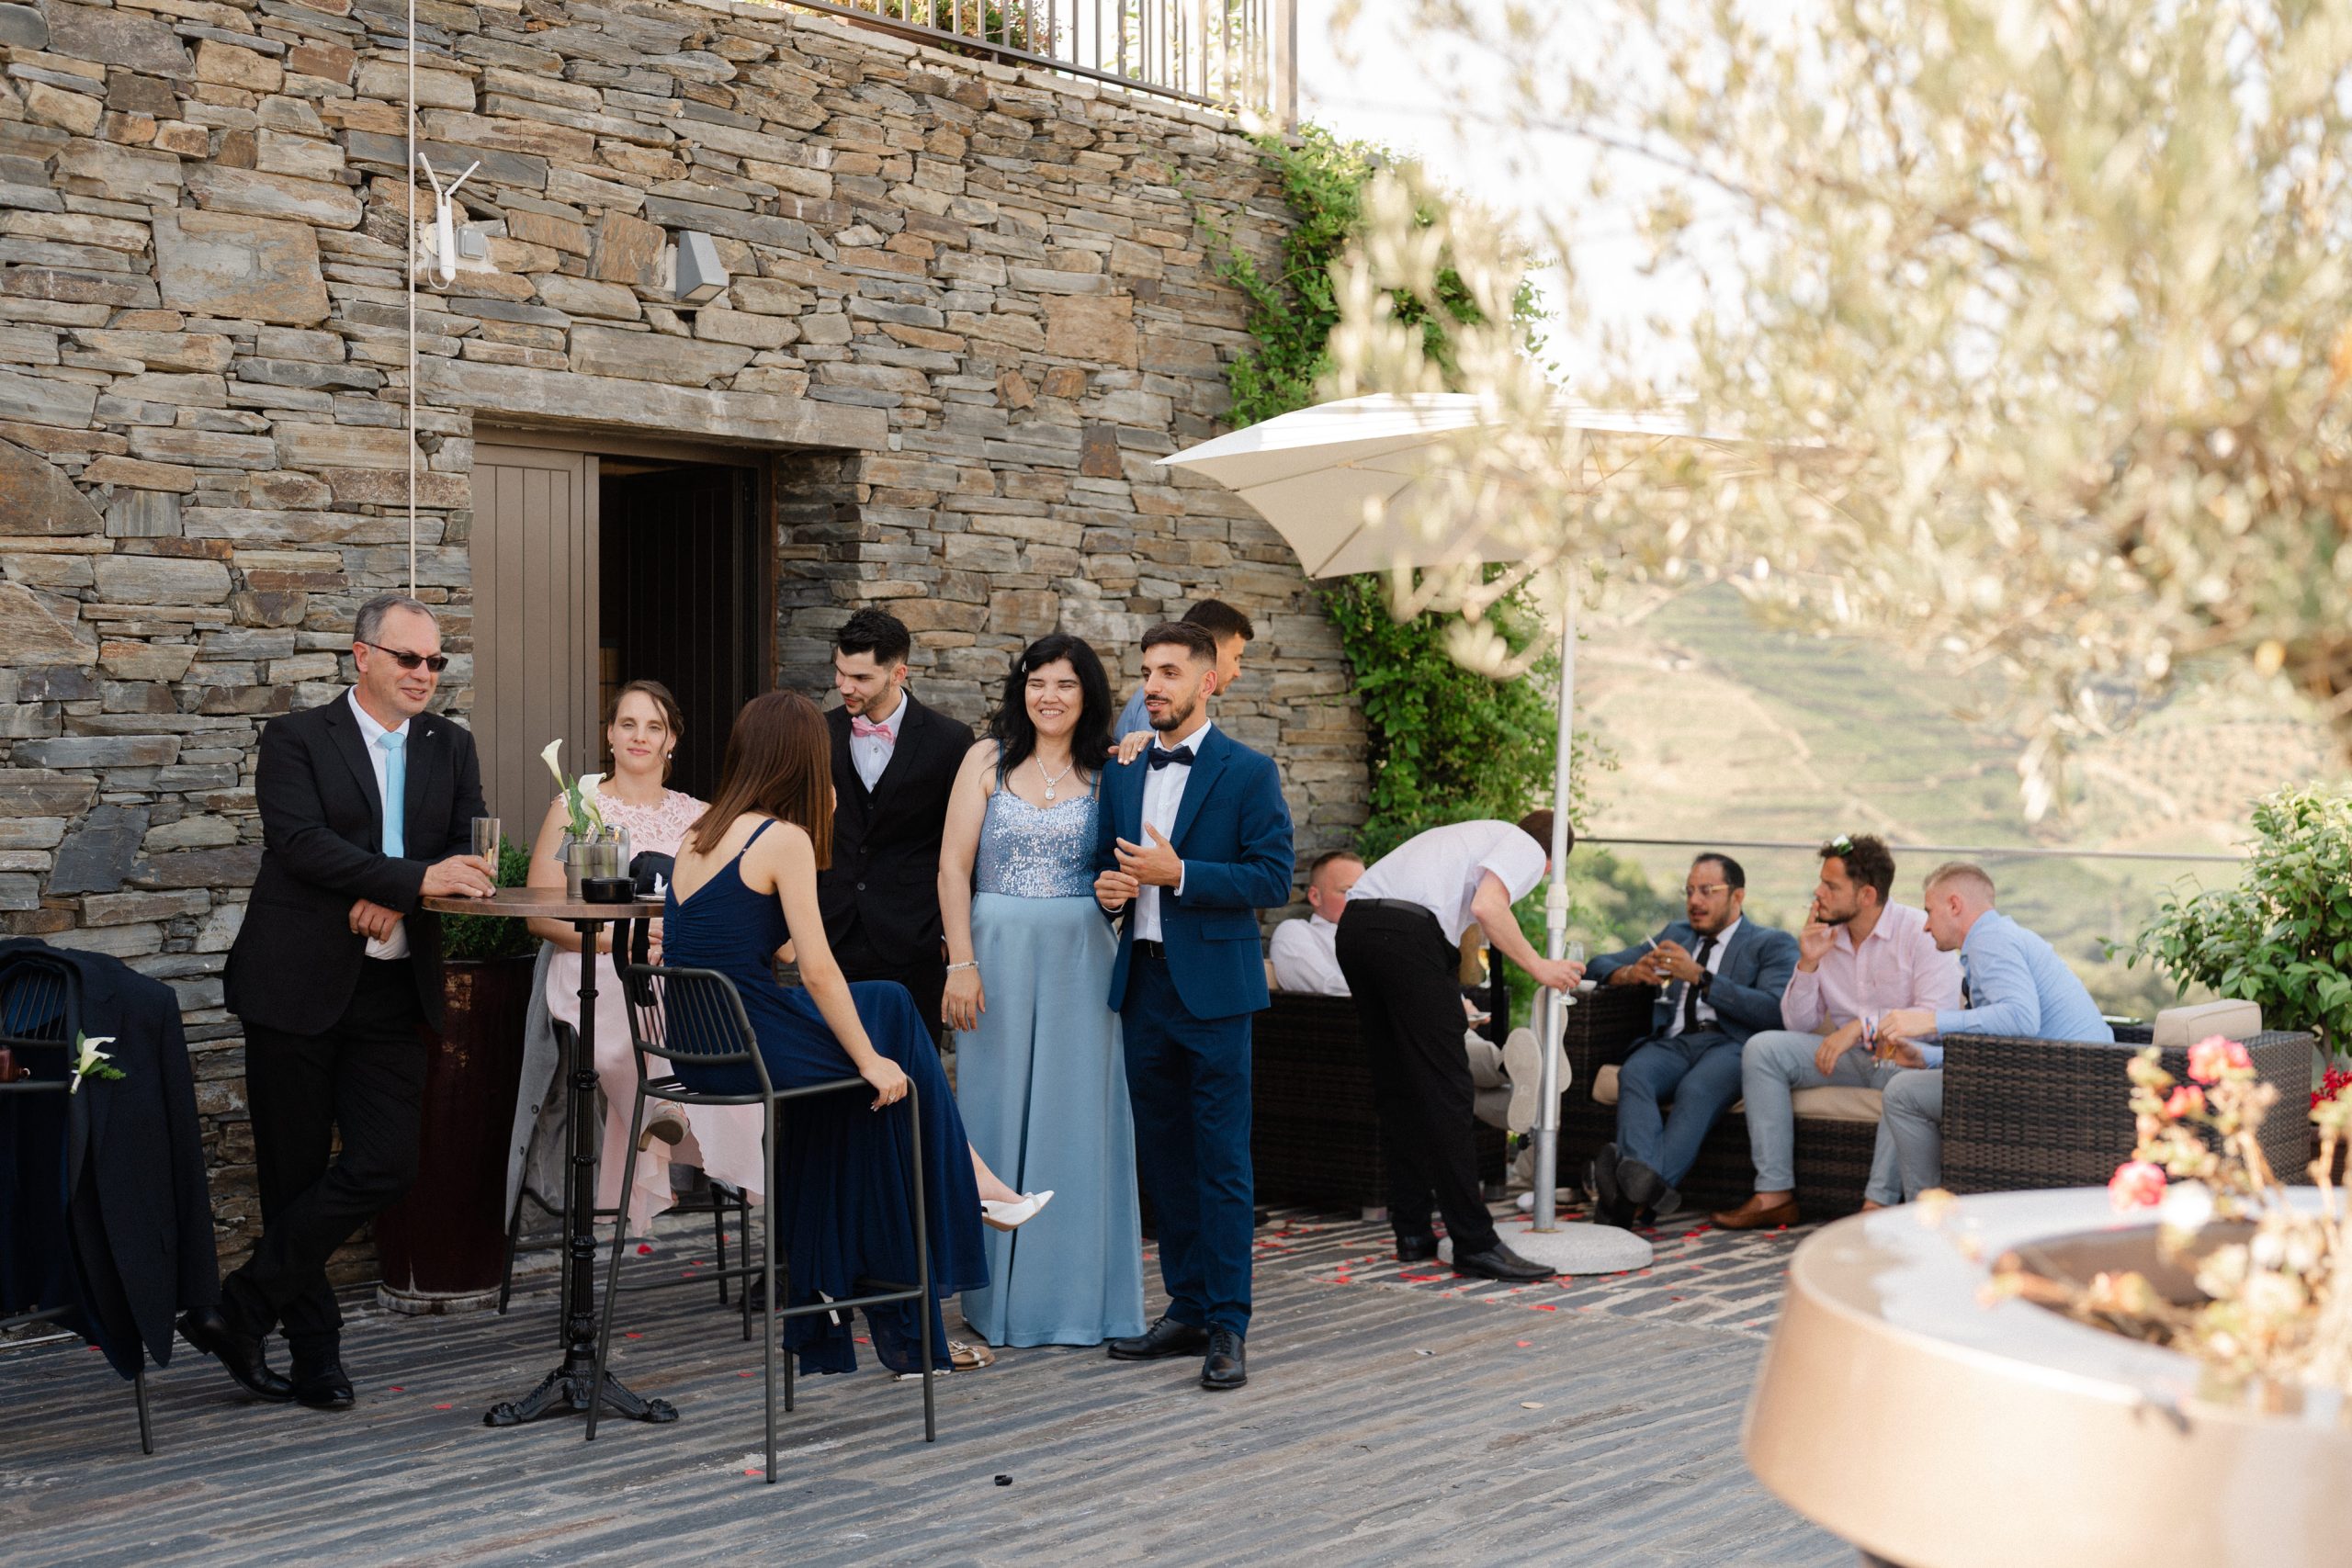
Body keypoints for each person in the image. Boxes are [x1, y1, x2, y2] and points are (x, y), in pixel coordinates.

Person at [661, 691, 1050, 1376]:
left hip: (699, 1043)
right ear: (800, 761)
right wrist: (869, 1060)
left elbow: (772, 946)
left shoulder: (699, 834)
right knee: (888, 1040)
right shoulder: (780, 839)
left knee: (887, 1015)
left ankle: (953, 1203)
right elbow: (814, 969)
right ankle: (968, 1188)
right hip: (750, 1042)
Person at [188, 593, 495, 1412]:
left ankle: (241, 1306)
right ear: (362, 655)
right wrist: (407, 879)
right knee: (291, 1177)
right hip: (293, 983)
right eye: (409, 657)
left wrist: (400, 893)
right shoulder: (296, 737)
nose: (425, 673)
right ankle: (315, 1354)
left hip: (393, 989)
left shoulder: (451, 745)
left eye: (436, 661)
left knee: (388, 1161)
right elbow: (299, 842)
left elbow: (468, 853)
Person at [1093, 621, 1294, 1392]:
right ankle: (1186, 1307)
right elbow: (1101, 868)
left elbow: (1272, 877)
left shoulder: (1250, 771)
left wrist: (1180, 873)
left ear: (1207, 682)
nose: (1153, 685)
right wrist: (1109, 890)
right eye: (1147, 671)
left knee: (1223, 1161)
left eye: (1170, 672)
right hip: (1142, 986)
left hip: (1214, 993)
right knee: (1166, 1157)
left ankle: (1229, 1324)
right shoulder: (1122, 770)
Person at [937, 634, 1146, 1349]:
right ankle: (999, 1302)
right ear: (1019, 690)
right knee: (992, 1111)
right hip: (993, 957)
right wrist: (960, 962)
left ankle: (1082, 1299)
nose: (1048, 696)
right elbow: (952, 867)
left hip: (1082, 959)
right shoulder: (985, 760)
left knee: (1078, 1119)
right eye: (1037, 683)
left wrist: (1118, 895)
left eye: (1065, 684)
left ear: (1088, 694)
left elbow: (1125, 871)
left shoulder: (1111, 770)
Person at [522, 680, 764, 1235]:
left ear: (671, 740)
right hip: (594, 964)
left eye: (654, 727)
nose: (639, 736)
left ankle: (671, 1116)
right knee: (634, 1009)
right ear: (609, 734)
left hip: (675, 965)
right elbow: (540, 917)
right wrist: (622, 940)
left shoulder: (704, 818)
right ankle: (664, 1112)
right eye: (628, 724)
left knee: (712, 1002)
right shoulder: (577, 807)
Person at [1334, 818, 1582, 1279]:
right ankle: (1475, 1243)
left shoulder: (1476, 835)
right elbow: (1489, 906)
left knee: (1399, 1090)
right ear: (1554, 863)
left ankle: (1412, 1232)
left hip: (1356, 929)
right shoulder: (1529, 847)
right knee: (1448, 1092)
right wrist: (1541, 967)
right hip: (1406, 939)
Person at [1711, 834, 1961, 1230]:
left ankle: (1876, 1206)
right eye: (1820, 882)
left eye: (1831, 886)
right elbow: (1799, 1024)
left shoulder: (1920, 931)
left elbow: (1935, 1016)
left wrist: (1861, 1028)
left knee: (1905, 1083)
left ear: (1866, 895)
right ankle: (1774, 1195)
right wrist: (1808, 963)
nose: (1818, 892)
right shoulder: (1827, 936)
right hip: (1852, 1060)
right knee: (1764, 1049)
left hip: (1906, 1059)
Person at [1860, 862, 2114, 1207]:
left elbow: (2020, 1019)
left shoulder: (1989, 941)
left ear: (1954, 904)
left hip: (2063, 1087)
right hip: (2076, 1078)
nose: (1926, 926)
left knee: (1902, 1094)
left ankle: (1926, 1216)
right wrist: (1925, 1056)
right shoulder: (1999, 936)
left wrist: (1930, 1021)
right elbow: (2003, 1047)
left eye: (1929, 912)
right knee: (1906, 1084)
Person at [1271, 846, 1561, 1138]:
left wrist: (1457, 1003)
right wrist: (1417, 998)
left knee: (1531, 1103)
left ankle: (1527, 1087)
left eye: (1362, 889)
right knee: (1490, 1073)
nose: (1358, 898)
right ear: (1315, 896)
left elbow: (1421, 973)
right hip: (1380, 1032)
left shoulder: (1381, 933)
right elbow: (1327, 986)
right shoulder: (1296, 933)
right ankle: (1518, 1063)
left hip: (1425, 1026)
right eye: (1347, 891)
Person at [1583, 854, 1798, 1227]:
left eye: (1707, 891)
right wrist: (1629, 973)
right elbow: (1597, 964)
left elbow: (1775, 1010)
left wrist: (1701, 977)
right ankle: (1640, 1193)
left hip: (1730, 1045)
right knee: (1634, 1073)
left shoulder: (1770, 943)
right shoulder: (1676, 935)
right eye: (1689, 891)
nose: (1695, 901)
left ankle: (1626, 1199)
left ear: (1737, 896)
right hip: (1673, 1043)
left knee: (1696, 1090)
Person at [820, 608, 974, 1050]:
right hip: (831, 939)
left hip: (913, 944)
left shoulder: (950, 741)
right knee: (830, 1073)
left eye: (861, 678)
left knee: (911, 1075)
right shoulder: (818, 732)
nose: (845, 686)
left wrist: (946, 937)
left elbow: (965, 846)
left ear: (898, 673)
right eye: (840, 672)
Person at [1113, 601, 1253, 739]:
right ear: (1210, 649)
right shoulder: (1160, 700)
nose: (1237, 672)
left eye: (1170, 674)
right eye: (1236, 657)